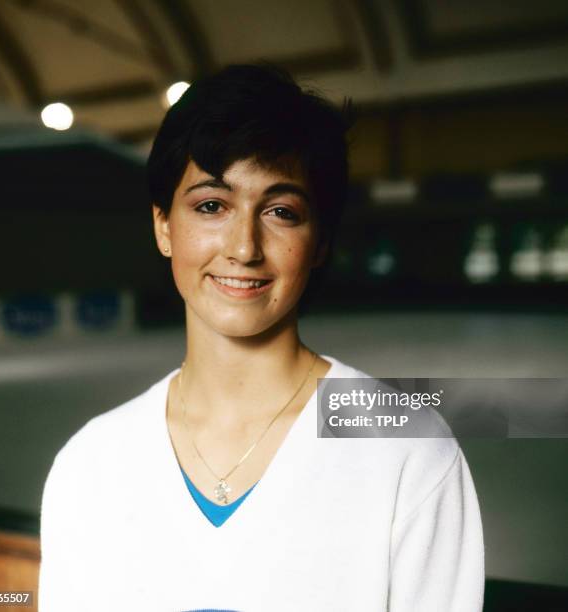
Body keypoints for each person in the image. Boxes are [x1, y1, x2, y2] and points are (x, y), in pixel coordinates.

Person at [38, 64, 484, 612]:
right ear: (162, 227)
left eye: (281, 211)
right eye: (211, 206)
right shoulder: (91, 463)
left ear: (319, 242)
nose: (244, 246)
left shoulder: (407, 448)